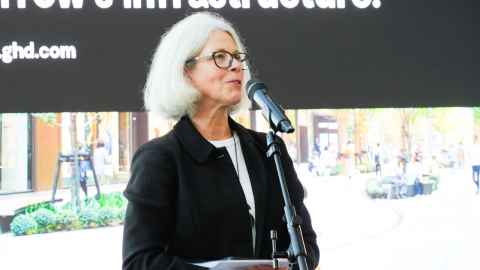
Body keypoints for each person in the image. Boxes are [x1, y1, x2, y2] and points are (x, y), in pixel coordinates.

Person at [122, 12, 319, 270]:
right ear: (186, 72)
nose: (236, 66)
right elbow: (139, 262)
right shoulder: (159, 159)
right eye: (220, 57)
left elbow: (307, 247)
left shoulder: (268, 149)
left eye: (238, 58)